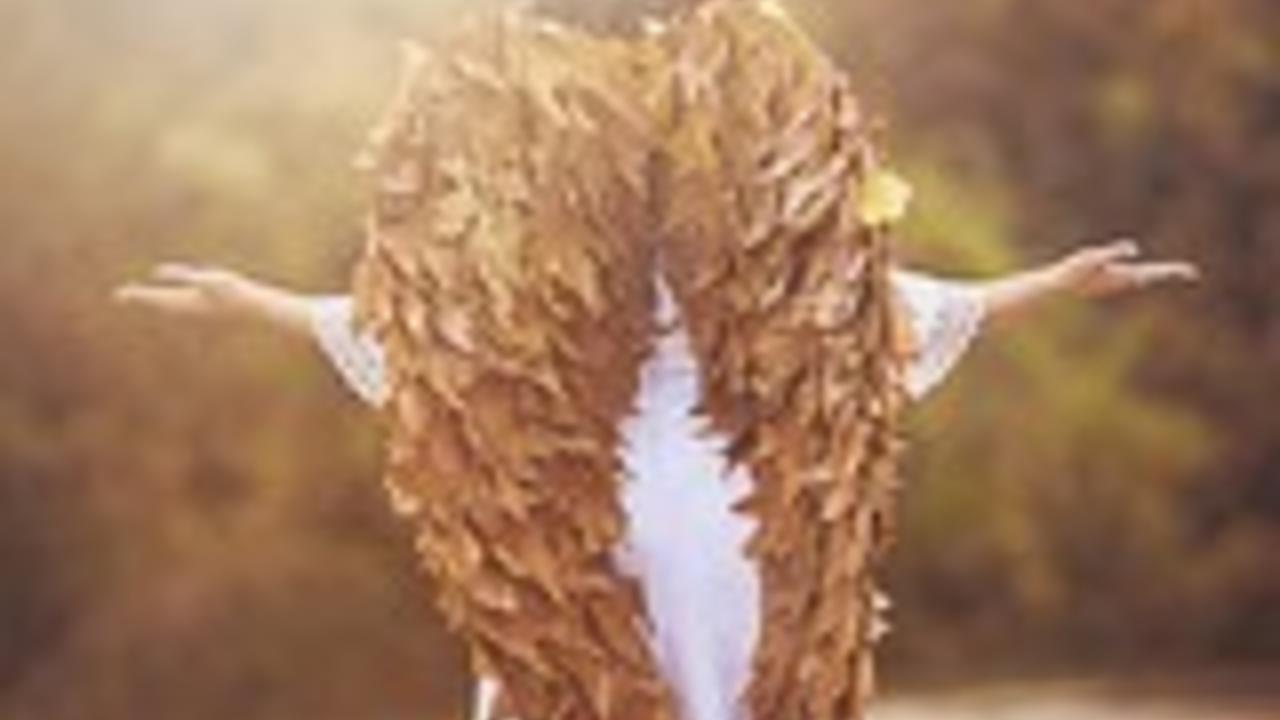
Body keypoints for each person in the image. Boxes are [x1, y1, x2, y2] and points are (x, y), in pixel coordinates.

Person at [115, 239, 1197, 720]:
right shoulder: (709, 192)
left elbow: (431, 332)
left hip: (631, 509)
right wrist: (1051, 285)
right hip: (692, 513)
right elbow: (876, 311)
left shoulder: (573, 205)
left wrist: (255, 304)